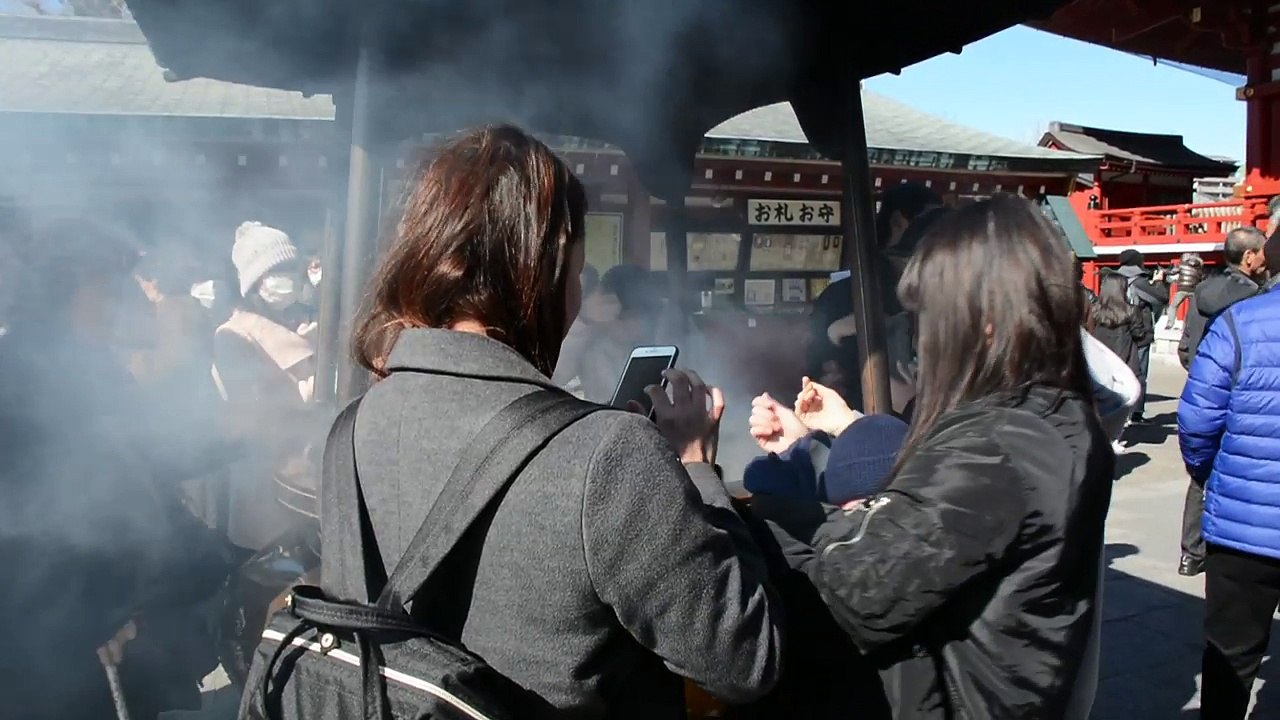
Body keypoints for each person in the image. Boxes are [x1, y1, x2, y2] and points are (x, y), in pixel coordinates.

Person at [346, 125, 782, 717]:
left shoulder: (348, 428)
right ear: (542, 271)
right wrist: (697, 469)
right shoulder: (609, 456)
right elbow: (743, 660)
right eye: (576, 274)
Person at [754, 194, 1114, 719]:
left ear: (986, 320)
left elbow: (858, 591)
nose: (919, 332)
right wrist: (836, 430)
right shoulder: (1050, 413)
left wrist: (761, 508)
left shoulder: (997, 446)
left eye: (927, 314)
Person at [0, 219, 228, 720]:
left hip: (134, 621)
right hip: (57, 653)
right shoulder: (15, 381)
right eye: (106, 283)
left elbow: (154, 456)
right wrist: (90, 616)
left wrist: (247, 442)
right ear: (64, 288)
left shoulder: (98, 369)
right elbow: (22, 525)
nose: (120, 298)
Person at [1178, 236, 1280, 720]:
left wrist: (1210, 475)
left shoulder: (1238, 323)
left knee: (1230, 656)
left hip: (1242, 527)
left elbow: (1197, 422)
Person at [212, 221, 319, 551]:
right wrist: (310, 390)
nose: (289, 277)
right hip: (266, 492)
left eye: (291, 266)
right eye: (278, 269)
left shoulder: (293, 323)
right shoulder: (233, 336)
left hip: (303, 483)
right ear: (254, 282)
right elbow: (253, 418)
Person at [1175, 226, 1266, 577]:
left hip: (1201, 390)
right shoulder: (1254, 299)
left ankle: (1190, 553)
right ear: (1248, 257)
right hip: (1242, 398)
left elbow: (1185, 347)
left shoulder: (1200, 291)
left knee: (1200, 477)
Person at [807, 182, 941, 409]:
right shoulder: (843, 295)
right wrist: (832, 337)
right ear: (898, 222)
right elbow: (818, 365)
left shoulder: (942, 295)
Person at [1089, 273, 1152, 453]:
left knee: (1100, 395)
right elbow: (1140, 335)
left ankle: (1101, 434)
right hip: (1124, 355)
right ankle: (1114, 437)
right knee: (1124, 398)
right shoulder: (1131, 311)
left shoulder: (1095, 309)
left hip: (1100, 356)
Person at [1113, 248, 1169, 422]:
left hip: (1115, 332)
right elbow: (1160, 298)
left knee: (1117, 372)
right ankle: (1136, 412)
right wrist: (1159, 282)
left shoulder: (1112, 279)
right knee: (1139, 373)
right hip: (1139, 332)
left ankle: (1117, 409)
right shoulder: (1139, 281)